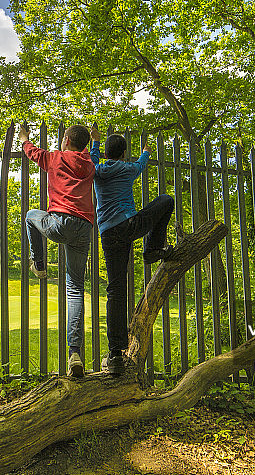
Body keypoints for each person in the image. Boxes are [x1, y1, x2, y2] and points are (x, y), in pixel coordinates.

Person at [89, 126, 174, 376]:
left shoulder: (97, 170)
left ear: (106, 153)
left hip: (108, 232)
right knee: (166, 201)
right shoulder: (127, 169)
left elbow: (93, 159)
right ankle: (153, 248)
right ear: (124, 153)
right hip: (130, 224)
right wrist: (146, 152)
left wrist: (94, 142)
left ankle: (115, 354)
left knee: (115, 289)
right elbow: (140, 166)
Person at [20, 124, 95, 378]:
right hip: (84, 227)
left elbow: (33, 153)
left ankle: (38, 265)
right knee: (75, 288)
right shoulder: (89, 164)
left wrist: (23, 138)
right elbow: (93, 155)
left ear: (65, 140)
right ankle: (75, 353)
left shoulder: (55, 157)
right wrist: (94, 142)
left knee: (31, 215)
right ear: (84, 145)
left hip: (59, 222)